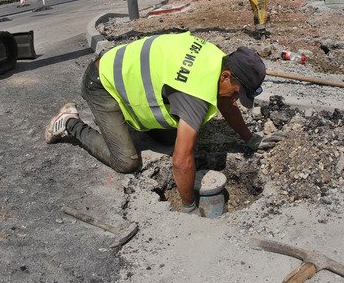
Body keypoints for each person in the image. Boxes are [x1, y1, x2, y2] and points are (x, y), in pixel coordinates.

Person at [44, 33, 283, 214]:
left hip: (128, 76)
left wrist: (250, 139)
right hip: (102, 82)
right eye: (236, 93)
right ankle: (70, 123)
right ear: (226, 76)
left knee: (175, 138)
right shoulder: (195, 92)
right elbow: (180, 162)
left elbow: (226, 104)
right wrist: (189, 207)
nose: (235, 101)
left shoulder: (217, 59)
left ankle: (123, 126)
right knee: (126, 162)